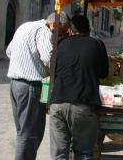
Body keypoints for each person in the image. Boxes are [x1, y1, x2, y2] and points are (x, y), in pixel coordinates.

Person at [6, 12, 70, 160]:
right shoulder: (43, 30)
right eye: (61, 32)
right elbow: (49, 58)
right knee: (30, 134)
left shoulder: (24, 26)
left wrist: (24, 63)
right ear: (55, 24)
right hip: (31, 87)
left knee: (23, 131)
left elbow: (9, 51)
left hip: (15, 85)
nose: (60, 35)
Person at [49, 15, 109, 160]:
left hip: (57, 105)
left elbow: (52, 71)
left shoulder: (60, 44)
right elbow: (104, 74)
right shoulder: (97, 44)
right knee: (83, 153)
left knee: (59, 155)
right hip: (83, 105)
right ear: (89, 29)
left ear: (70, 29)